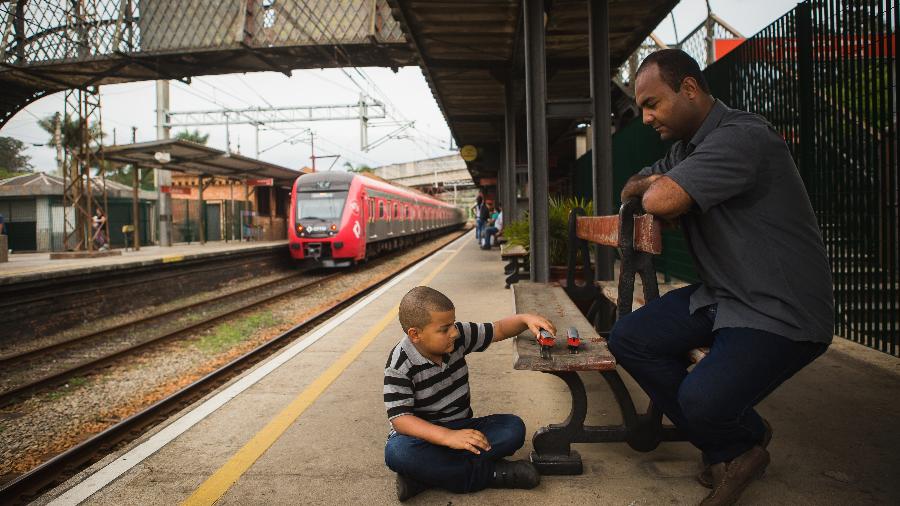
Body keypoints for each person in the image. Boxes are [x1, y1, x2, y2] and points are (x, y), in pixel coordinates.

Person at [607, 49, 833, 506]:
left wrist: (661, 189)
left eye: (653, 104)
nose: (645, 117)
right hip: (722, 295)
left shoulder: (742, 137)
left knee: (701, 399)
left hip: (777, 308)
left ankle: (726, 435)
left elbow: (660, 201)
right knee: (629, 336)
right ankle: (740, 439)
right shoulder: (684, 150)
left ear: (689, 88)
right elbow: (634, 184)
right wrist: (656, 186)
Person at [384, 286, 555, 501]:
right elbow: (400, 419)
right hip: (423, 437)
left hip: (463, 426)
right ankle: (490, 474)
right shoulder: (399, 364)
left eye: (454, 324)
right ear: (415, 334)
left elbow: (499, 329)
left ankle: (423, 478)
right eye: (444, 329)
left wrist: (524, 319)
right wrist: (447, 437)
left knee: (513, 428)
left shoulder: (459, 337)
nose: (454, 332)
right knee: (398, 453)